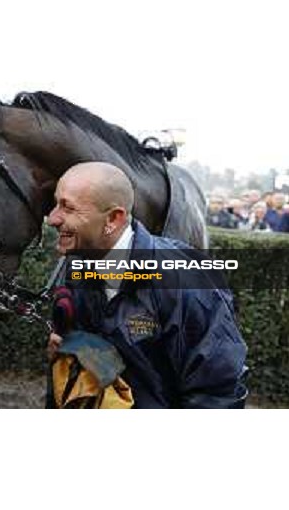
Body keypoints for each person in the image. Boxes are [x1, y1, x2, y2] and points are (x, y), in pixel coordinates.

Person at [46, 162, 248, 409]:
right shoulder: (77, 264)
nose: (52, 219)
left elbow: (217, 392)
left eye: (67, 208)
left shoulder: (186, 281)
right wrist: (74, 347)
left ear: (113, 219)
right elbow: (113, 367)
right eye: (56, 204)